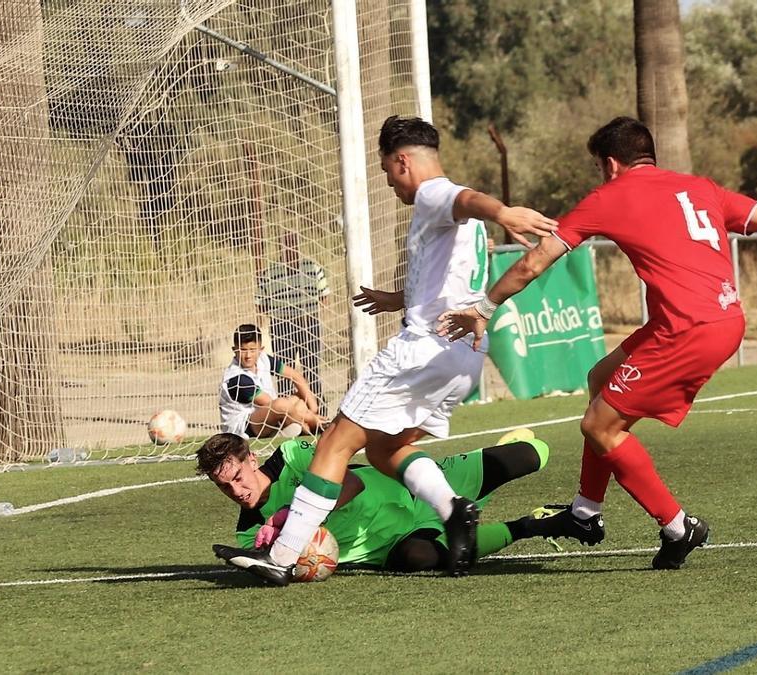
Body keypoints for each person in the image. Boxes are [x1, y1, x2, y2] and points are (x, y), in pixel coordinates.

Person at [438, 116, 757, 570]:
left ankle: (678, 526)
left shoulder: (610, 195)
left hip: (688, 328)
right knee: (600, 377)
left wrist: (484, 306)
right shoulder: (699, 187)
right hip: (719, 317)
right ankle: (585, 511)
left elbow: (537, 261)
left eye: (600, 167)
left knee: (600, 427)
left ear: (611, 164)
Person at [213, 115, 558, 585]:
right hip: (462, 354)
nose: (389, 182)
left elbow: (465, 199)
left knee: (334, 442)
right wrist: (397, 299)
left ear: (402, 162)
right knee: (386, 451)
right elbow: (447, 279)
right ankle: (453, 508)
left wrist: (502, 212)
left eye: (386, 171)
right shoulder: (453, 221)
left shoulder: (435, 193)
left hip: (422, 350)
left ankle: (283, 554)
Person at [201, 432, 566, 574]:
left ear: (251, 458)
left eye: (237, 477)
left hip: (411, 487)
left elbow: (353, 483)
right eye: (224, 487)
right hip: (391, 546)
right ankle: (529, 525)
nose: (237, 490)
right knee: (426, 559)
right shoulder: (251, 534)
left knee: (535, 453)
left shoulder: (292, 457)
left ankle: (506, 442)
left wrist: (286, 516)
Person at [256, 231, 329, 403]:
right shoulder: (270, 273)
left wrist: (315, 313)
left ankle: (317, 406)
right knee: (284, 371)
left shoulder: (312, 268)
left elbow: (324, 295)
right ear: (280, 248)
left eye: (292, 244)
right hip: (282, 326)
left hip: (308, 323)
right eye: (285, 245)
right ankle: (286, 411)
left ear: (297, 246)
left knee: (312, 369)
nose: (289, 249)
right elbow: (260, 302)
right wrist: (277, 314)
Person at [219, 324, 326, 439]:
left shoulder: (263, 359)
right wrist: (312, 418)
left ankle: (290, 429)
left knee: (303, 397)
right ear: (234, 350)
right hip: (243, 428)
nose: (248, 355)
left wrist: (313, 409)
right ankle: (311, 427)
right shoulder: (236, 378)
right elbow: (273, 405)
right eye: (243, 350)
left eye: (252, 350)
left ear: (261, 349)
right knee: (282, 405)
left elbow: (295, 375)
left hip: (270, 414)